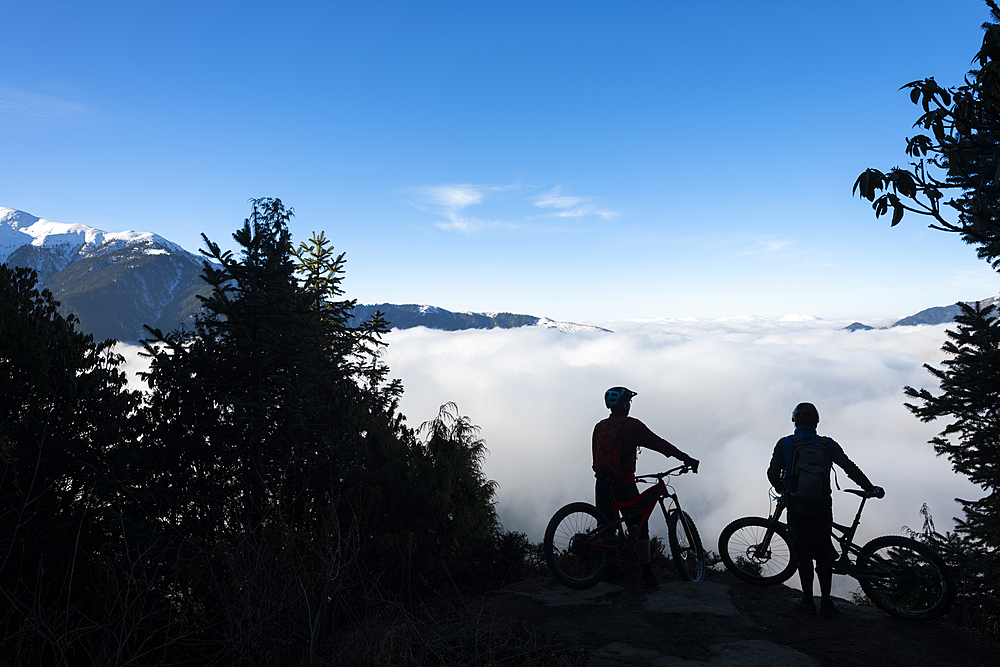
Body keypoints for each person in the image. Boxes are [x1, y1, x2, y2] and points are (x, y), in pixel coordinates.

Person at [767, 402, 884, 617]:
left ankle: (808, 601)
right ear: (816, 422)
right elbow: (850, 468)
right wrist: (870, 488)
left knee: (802, 553)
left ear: (795, 421)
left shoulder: (785, 444)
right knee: (823, 553)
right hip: (822, 508)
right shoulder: (828, 445)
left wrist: (782, 489)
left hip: (797, 507)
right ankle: (827, 603)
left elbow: (773, 473)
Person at [593, 386, 699, 588]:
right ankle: (647, 573)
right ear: (625, 404)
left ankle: (609, 572)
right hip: (624, 484)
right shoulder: (631, 426)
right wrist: (687, 459)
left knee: (608, 527)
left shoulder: (600, 426)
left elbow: (595, 457)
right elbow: (660, 444)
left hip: (602, 484)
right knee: (640, 525)